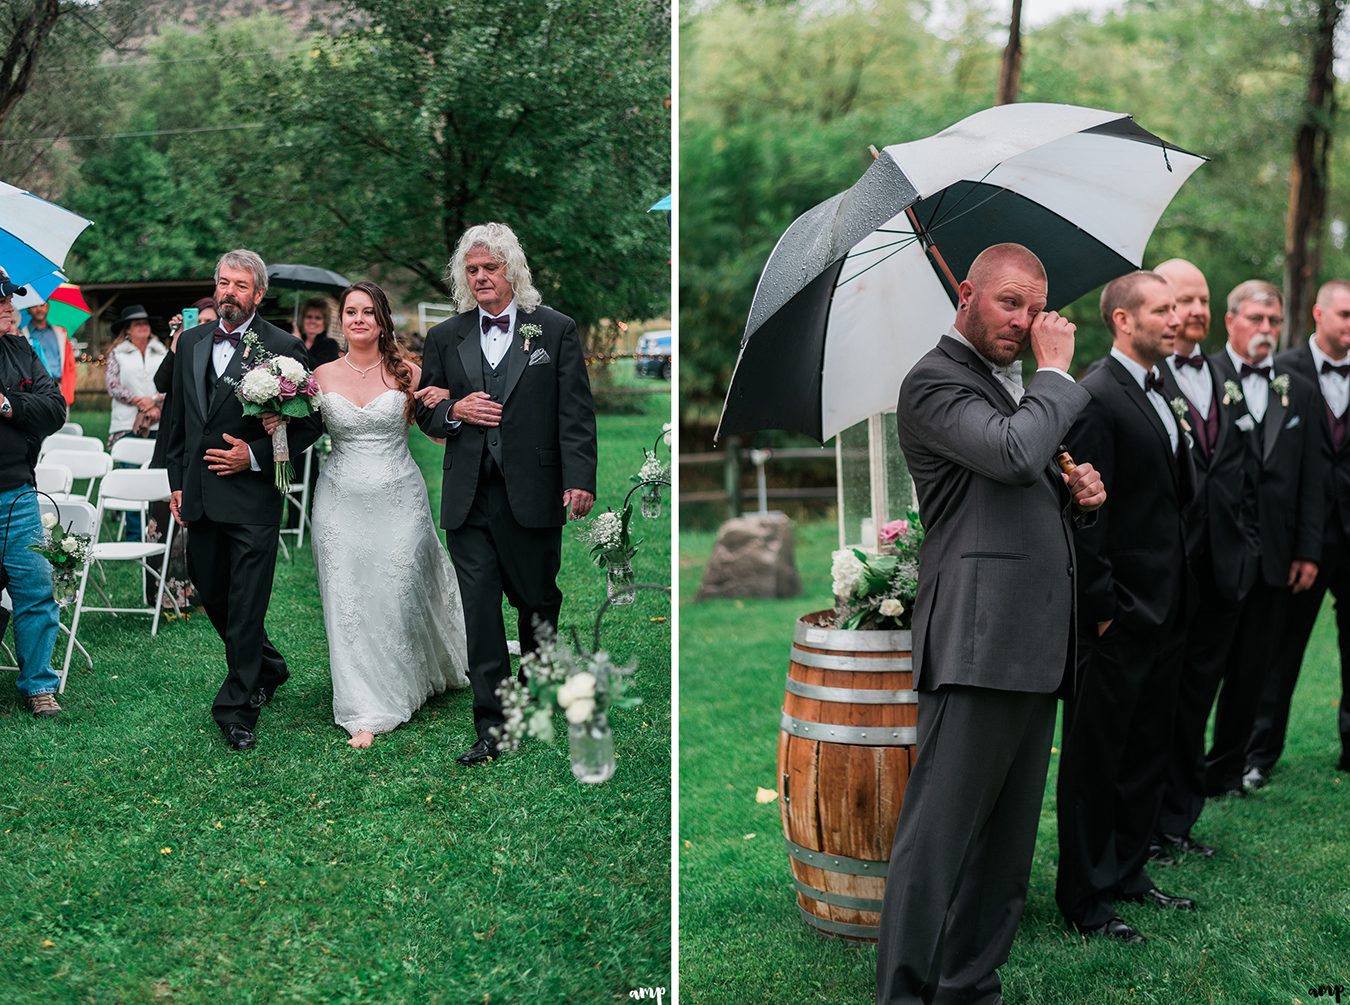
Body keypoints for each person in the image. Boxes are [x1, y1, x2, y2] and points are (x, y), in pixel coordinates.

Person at [875, 244, 1105, 1005]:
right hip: (974, 643)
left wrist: (1075, 493)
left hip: (1032, 644)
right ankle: (906, 993)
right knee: (937, 843)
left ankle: (970, 987)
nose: (1026, 321)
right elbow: (1010, 455)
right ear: (966, 293)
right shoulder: (935, 381)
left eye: (1035, 308)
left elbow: (1018, 482)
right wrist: (1058, 376)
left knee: (1005, 851)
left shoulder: (1007, 388)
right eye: (1010, 303)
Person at [415, 222, 597, 766]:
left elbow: (575, 412)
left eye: (489, 268)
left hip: (534, 491)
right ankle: (491, 726)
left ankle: (538, 689)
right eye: (471, 271)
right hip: (468, 497)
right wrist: (455, 410)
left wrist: (580, 477)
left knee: (537, 599)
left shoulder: (556, 330)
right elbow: (425, 406)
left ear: (511, 270)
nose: (480, 278)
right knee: (479, 610)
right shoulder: (446, 337)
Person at [1056, 271, 1198, 946]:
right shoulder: (1094, 396)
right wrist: (1104, 609)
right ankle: (1083, 896)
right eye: (1161, 309)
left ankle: (1128, 870)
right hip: (1117, 616)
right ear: (1121, 320)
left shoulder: (1155, 386)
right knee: (1096, 760)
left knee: (1146, 749)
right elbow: (1085, 516)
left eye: (1176, 307)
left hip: (1166, 609)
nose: (1176, 319)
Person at [266, 282, 469, 747]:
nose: (358, 319)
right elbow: (302, 433)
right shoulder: (318, 376)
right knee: (348, 598)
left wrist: (451, 406)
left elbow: (439, 433)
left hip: (400, 497)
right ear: (343, 320)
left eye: (368, 312)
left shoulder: (409, 373)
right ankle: (364, 705)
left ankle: (407, 681)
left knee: (396, 592)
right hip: (340, 500)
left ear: (382, 320)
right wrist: (276, 426)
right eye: (351, 312)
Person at [165, 250, 322, 751]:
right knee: (214, 596)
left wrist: (253, 456)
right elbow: (179, 420)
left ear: (258, 293)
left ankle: (236, 708)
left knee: (248, 605)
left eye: (240, 285)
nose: (228, 291)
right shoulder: (190, 342)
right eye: (222, 282)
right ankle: (269, 667)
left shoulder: (283, 345)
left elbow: (309, 424)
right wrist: (175, 481)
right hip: (200, 495)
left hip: (252, 498)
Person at [1150, 258, 1261, 860]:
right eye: (1179, 300)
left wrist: (1247, 545)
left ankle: (1179, 822)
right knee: (1159, 705)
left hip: (1223, 572)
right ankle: (1147, 825)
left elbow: (1246, 470)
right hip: (1169, 575)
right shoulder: (1147, 378)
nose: (1192, 311)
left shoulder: (1224, 375)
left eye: (1200, 299)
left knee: (1196, 702)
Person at [1205, 280, 1322, 796]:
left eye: (1273, 321)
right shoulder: (1205, 377)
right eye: (1256, 319)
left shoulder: (1298, 388)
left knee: (1254, 673)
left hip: (1275, 556)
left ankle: (1231, 770)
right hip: (1214, 555)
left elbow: (1311, 477)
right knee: (1202, 672)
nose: (1266, 330)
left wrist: (1307, 550)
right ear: (1230, 321)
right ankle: (1186, 769)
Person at [1252, 279, 1350, 780]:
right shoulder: (1282, 370)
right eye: (1346, 314)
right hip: (1301, 538)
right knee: (1282, 648)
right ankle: (1260, 753)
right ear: (1319, 314)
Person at [0, 268, 70, 716]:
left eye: (11, 298)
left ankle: (39, 684)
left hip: (18, 494)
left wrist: (7, 405)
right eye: (2, 300)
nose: (11, 306)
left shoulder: (21, 348)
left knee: (36, 588)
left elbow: (55, 408)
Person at [148, 296, 216, 609]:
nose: (204, 327)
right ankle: (159, 592)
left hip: (200, 440)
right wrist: (176, 343)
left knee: (195, 521)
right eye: (198, 321)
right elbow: (160, 382)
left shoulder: (217, 354)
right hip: (171, 436)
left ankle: (195, 591)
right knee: (161, 512)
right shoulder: (183, 345)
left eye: (208, 322)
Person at [106, 304, 169, 449]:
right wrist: (139, 402)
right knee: (129, 469)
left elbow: (171, 381)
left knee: (157, 469)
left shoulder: (162, 352)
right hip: (126, 422)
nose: (143, 326)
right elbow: (113, 385)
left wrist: (153, 401)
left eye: (145, 323)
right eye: (137, 324)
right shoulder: (118, 353)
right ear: (128, 330)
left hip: (157, 419)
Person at [20, 301, 77, 408]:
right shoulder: (22, 335)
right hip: (35, 389)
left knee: (62, 422)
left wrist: (68, 389)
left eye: (42, 305)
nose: (39, 309)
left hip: (58, 386)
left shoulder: (60, 333)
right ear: (28, 309)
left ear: (48, 306)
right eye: (34, 305)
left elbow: (70, 364)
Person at [293, 298, 341, 367]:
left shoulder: (330, 345)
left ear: (325, 322)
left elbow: (317, 368)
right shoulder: (294, 339)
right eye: (309, 317)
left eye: (318, 318)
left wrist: (299, 344)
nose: (312, 321)